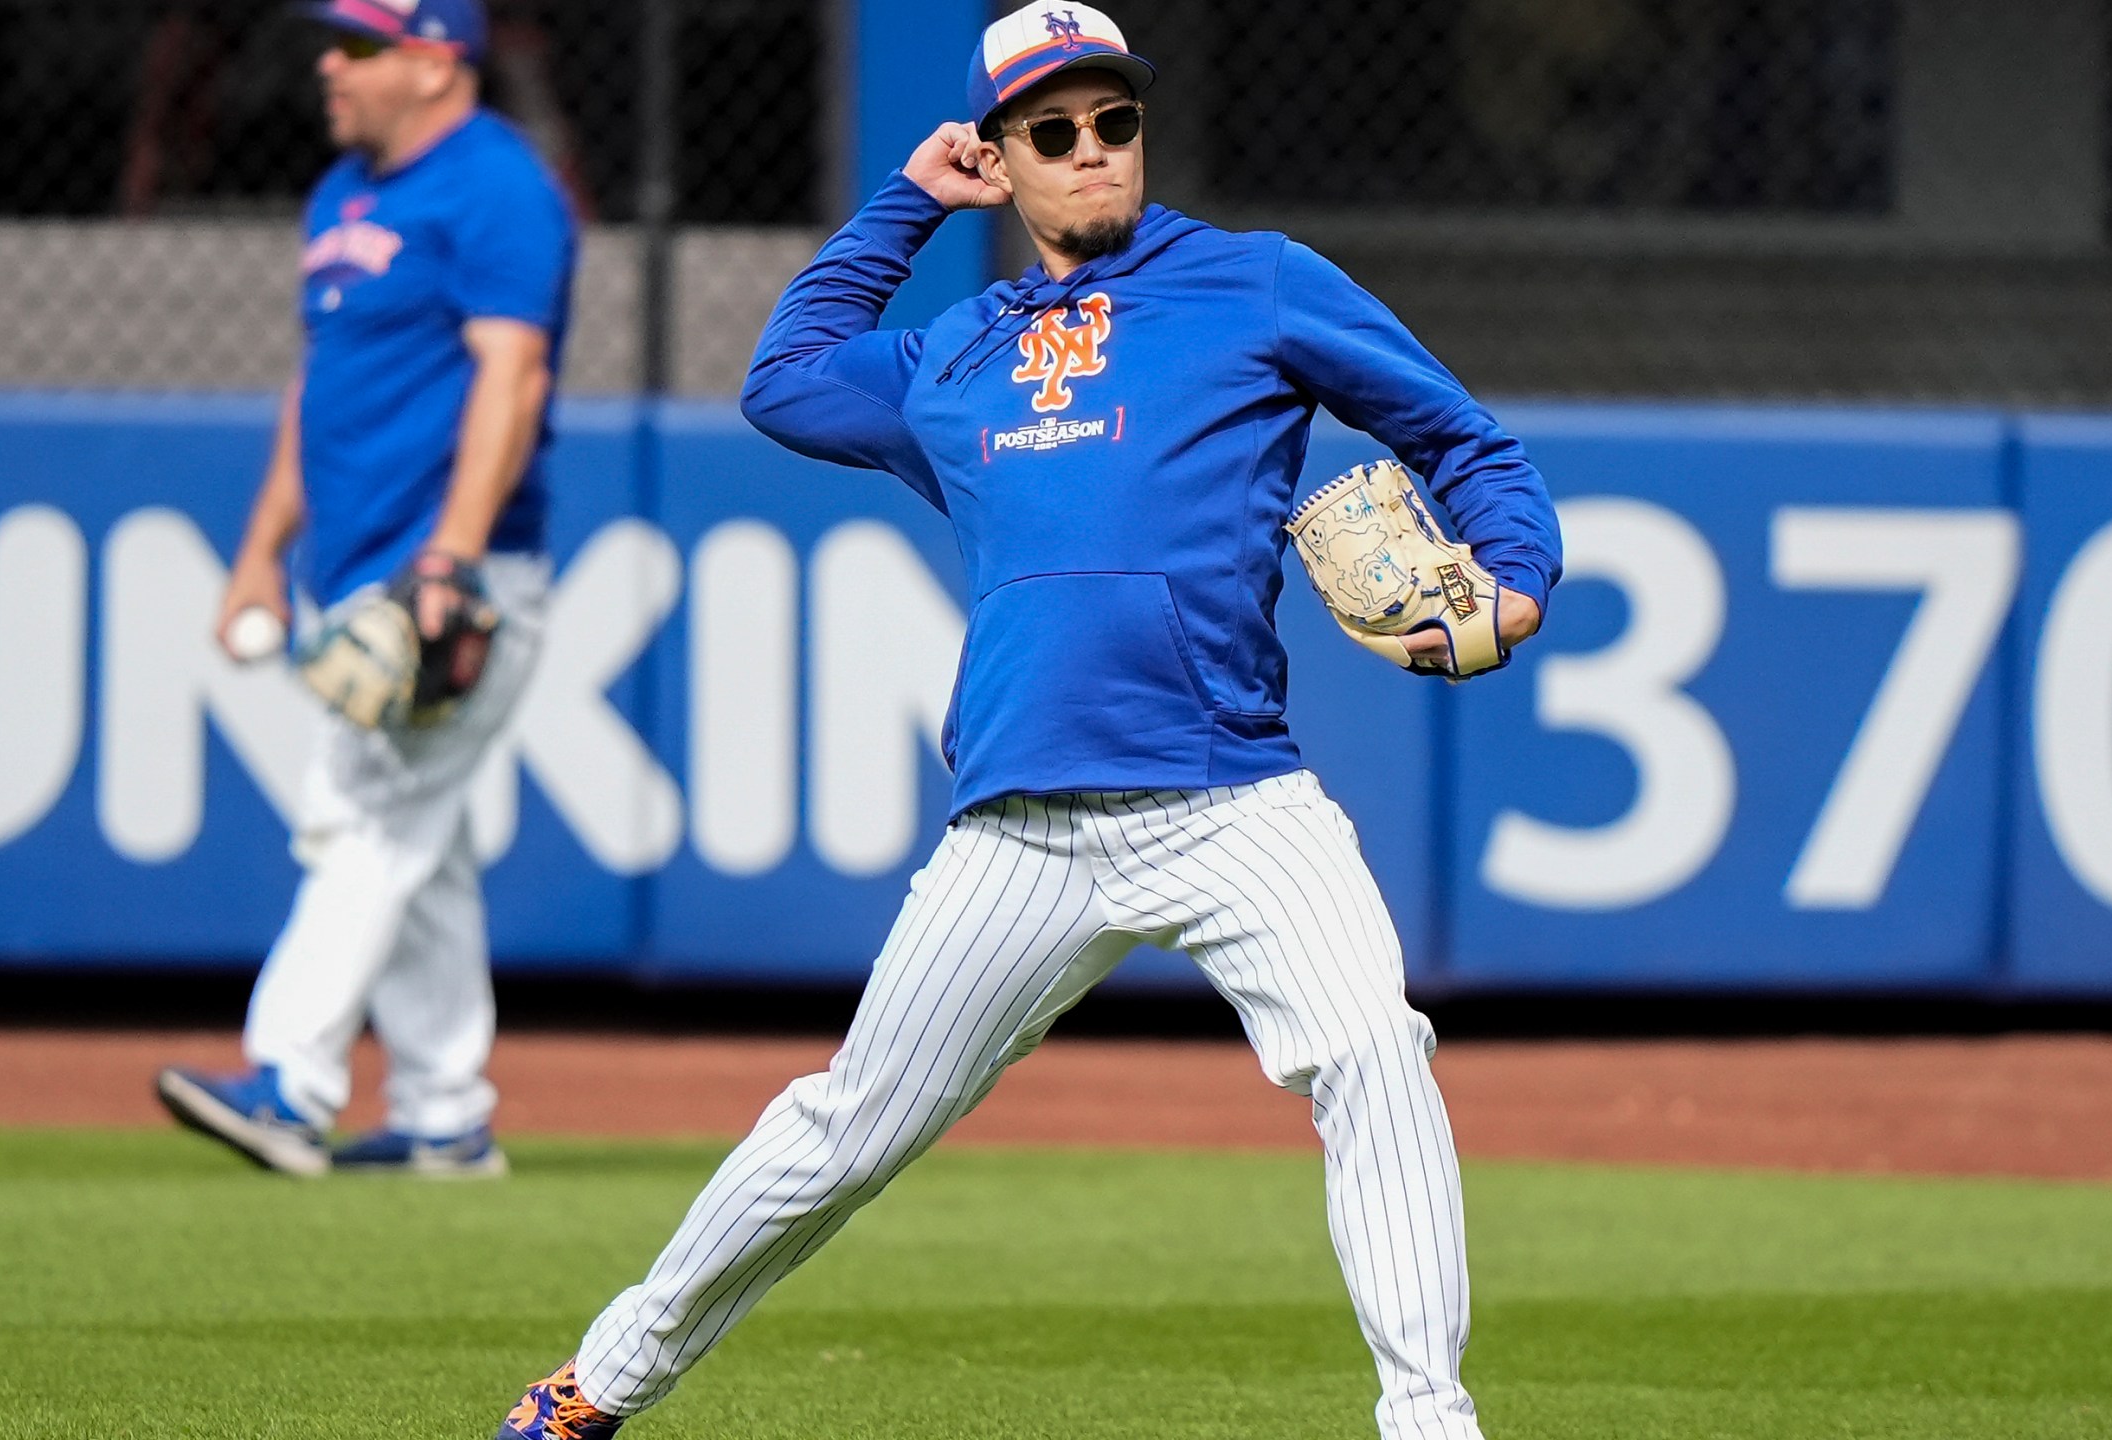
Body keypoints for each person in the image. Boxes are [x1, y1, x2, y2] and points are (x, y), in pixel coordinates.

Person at [498, 3, 1558, 1435]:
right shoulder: (955, 356)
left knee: (1374, 1051)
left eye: (1113, 121)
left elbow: (1458, 437)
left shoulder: (1257, 285)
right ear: (1001, 155)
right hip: (1022, 825)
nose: (1090, 151)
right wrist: (904, 205)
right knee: (847, 1130)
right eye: (1050, 132)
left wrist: (1519, 573)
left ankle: (1429, 1419)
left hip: (1231, 798)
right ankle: (598, 1382)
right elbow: (785, 381)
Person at [154, 0, 576, 1180]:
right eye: (330, 43)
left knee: (367, 811)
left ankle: (290, 1081)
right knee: (416, 845)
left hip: (452, 573)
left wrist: (449, 557)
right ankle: (447, 1115)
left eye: (359, 46)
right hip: (352, 566)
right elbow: (321, 383)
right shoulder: (344, 190)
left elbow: (516, 376)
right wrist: (257, 551)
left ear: (437, 61)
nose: (327, 65)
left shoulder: (497, 186)